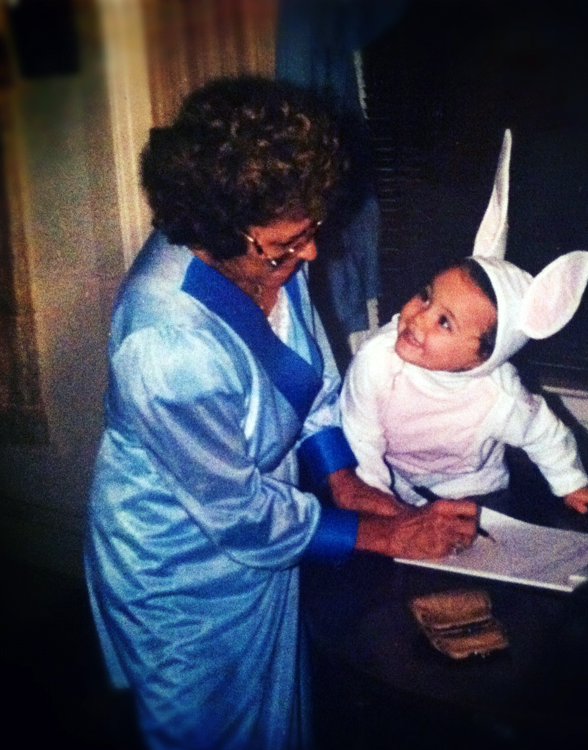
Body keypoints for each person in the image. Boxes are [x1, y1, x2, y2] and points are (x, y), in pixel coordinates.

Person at [84, 76, 477, 750]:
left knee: (277, 723)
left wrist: (346, 483)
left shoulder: (267, 260)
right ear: (218, 229)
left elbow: (315, 387)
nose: (312, 253)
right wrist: (390, 536)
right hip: (180, 563)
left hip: (266, 529)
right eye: (290, 242)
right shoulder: (164, 342)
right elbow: (237, 515)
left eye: (313, 228)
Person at [341, 130, 588, 514]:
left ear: (480, 358)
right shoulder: (377, 361)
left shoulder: (500, 398)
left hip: (472, 484)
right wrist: (379, 501)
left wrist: (572, 484)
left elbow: (544, 434)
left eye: (445, 323)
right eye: (426, 295)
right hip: (392, 475)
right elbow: (360, 435)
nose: (418, 318)